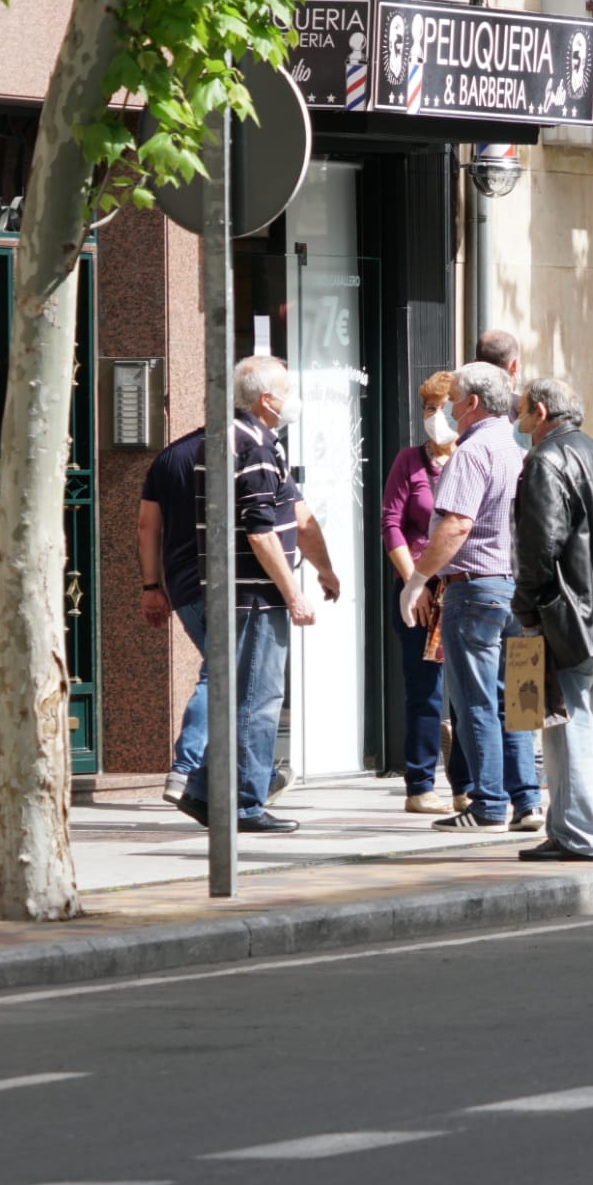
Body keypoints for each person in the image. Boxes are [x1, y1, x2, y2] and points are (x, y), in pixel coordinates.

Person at [173, 356, 342, 834]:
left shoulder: (258, 442)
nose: (294, 399)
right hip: (253, 596)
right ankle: (244, 804)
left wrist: (324, 568)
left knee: (244, 696)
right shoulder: (250, 445)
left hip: (242, 592)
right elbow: (260, 530)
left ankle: (206, 790)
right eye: (288, 389)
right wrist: (294, 593)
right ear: (267, 400)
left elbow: (300, 517)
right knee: (258, 700)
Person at [398, 361, 544, 833]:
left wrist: (417, 579)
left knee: (476, 702)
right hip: (517, 591)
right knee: (519, 701)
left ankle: (487, 804)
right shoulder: (518, 449)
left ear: (473, 404)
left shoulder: (472, 451)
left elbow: (457, 524)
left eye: (454, 398)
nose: (450, 408)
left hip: (475, 590)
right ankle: (526, 801)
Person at [512, 377, 593, 862]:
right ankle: (566, 826)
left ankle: (578, 833)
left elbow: (539, 546)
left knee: (566, 727)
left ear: (541, 411)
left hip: (568, 615)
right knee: (583, 727)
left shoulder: (546, 460)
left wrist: (527, 606)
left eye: (523, 410)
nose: (519, 419)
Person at [381, 370, 467, 814]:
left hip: (463, 587)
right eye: (428, 409)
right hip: (418, 590)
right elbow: (391, 523)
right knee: (425, 691)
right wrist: (413, 581)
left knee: (470, 690)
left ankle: (466, 787)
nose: (434, 418)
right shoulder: (408, 461)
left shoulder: (470, 457)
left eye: (441, 408)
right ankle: (419, 785)